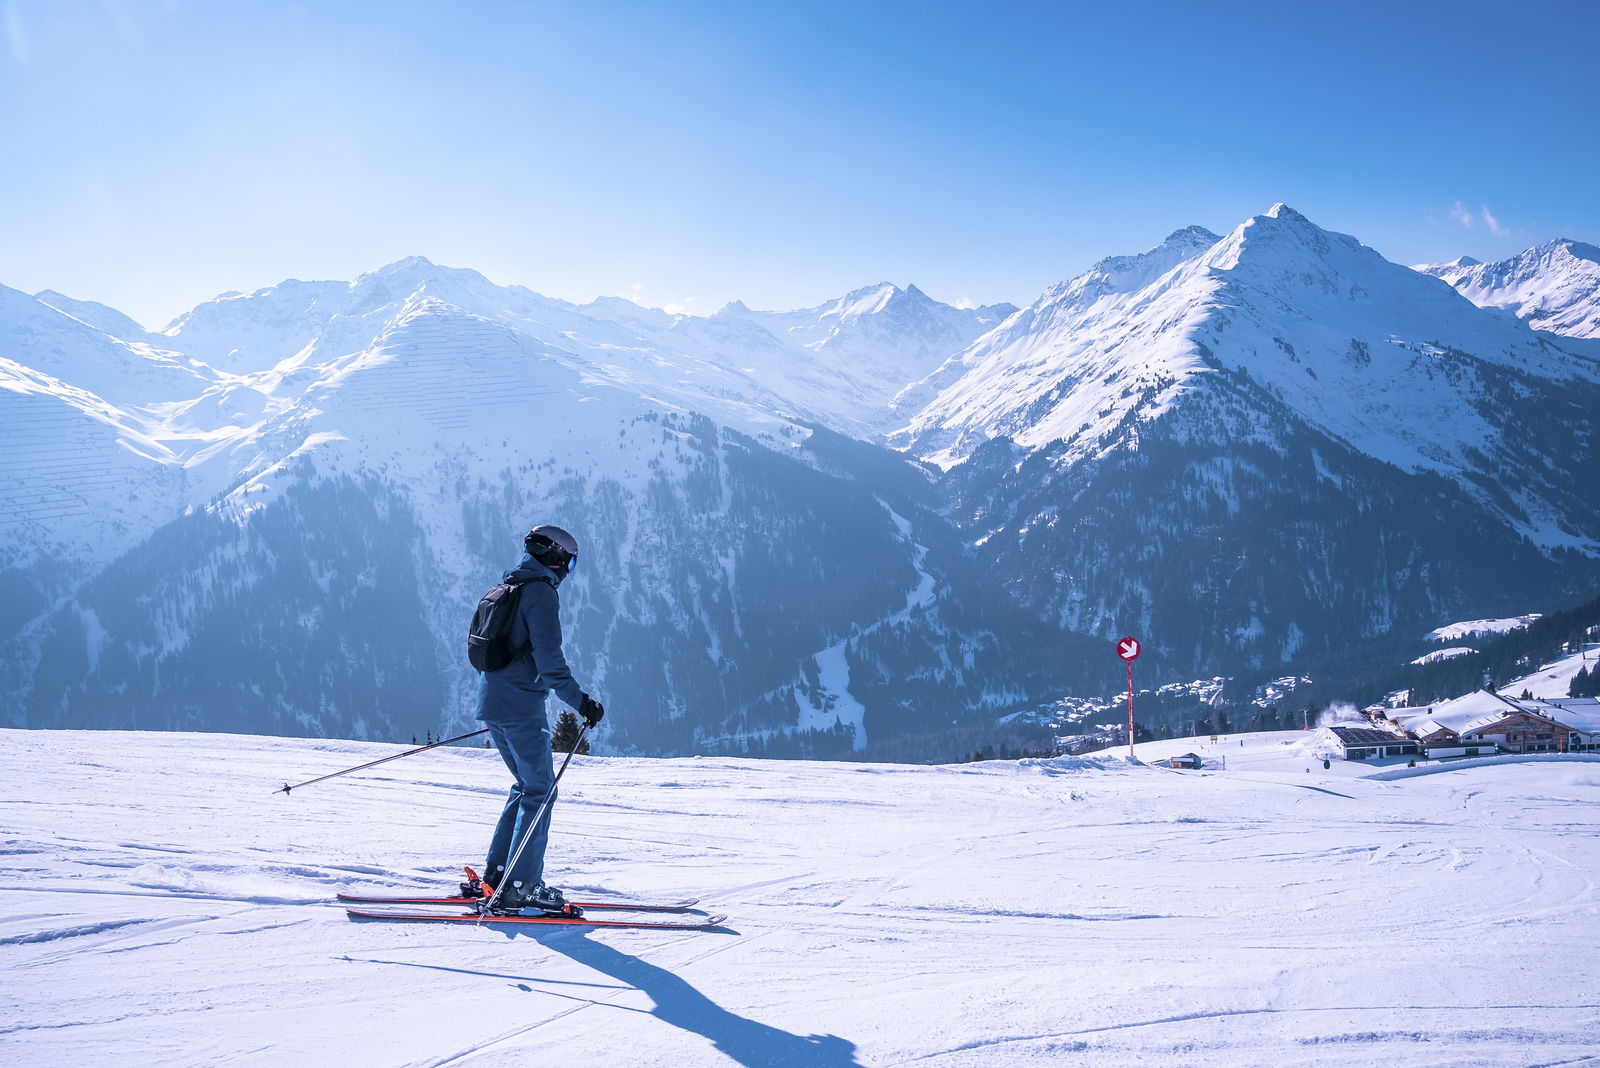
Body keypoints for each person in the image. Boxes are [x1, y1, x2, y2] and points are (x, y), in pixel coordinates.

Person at [471, 524, 605, 913]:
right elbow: (549, 663)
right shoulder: (540, 594)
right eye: (572, 562)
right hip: (521, 708)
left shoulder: (505, 588)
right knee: (541, 790)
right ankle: (521, 886)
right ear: (557, 557)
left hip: (493, 704)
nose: (569, 571)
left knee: (527, 786)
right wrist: (581, 702)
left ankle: (497, 874)